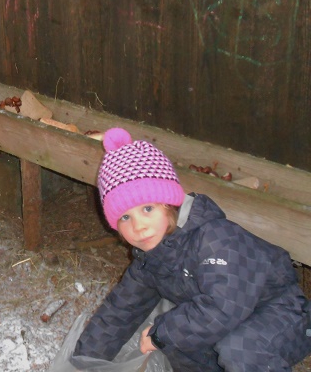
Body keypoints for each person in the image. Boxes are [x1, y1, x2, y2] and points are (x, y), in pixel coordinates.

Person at [73, 127, 311, 371]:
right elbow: (119, 312)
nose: (139, 226)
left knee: (234, 348)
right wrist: (80, 364)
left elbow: (222, 307)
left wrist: (161, 333)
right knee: (180, 339)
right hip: (228, 322)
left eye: (147, 209)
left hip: (283, 316)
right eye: (125, 217)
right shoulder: (151, 260)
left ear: (169, 205)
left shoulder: (216, 239)